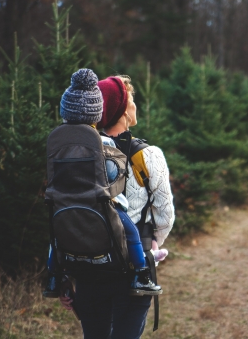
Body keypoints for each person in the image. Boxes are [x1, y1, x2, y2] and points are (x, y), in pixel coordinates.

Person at [60, 72, 175, 338]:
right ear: (123, 110)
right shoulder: (148, 155)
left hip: (89, 267)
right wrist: (152, 245)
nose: (135, 104)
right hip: (132, 271)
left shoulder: (79, 154)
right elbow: (165, 216)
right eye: (131, 98)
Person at [43, 68, 162, 299]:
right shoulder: (102, 141)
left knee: (55, 236)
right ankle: (141, 274)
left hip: (63, 201)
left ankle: (53, 277)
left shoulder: (57, 141)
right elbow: (112, 172)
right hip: (99, 201)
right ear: (96, 114)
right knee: (130, 231)